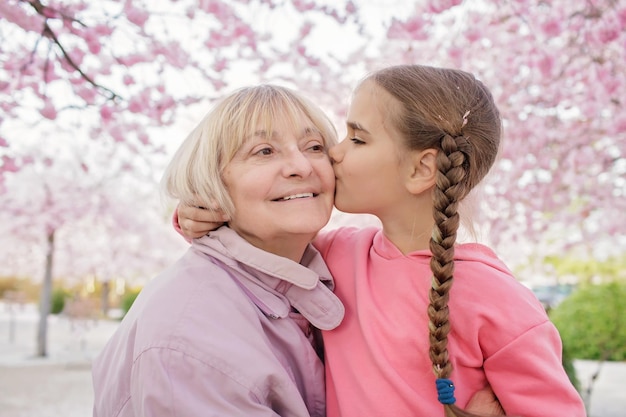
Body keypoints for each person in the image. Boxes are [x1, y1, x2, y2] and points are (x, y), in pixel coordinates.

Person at [175, 65, 586, 417]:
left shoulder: (498, 300)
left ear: (422, 169)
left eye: (357, 138)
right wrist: (198, 217)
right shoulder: (337, 254)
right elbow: (258, 240)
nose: (332, 153)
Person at [92, 84, 346, 417]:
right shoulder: (189, 344)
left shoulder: (326, 265)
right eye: (264, 151)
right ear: (212, 185)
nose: (302, 166)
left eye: (314, 147)